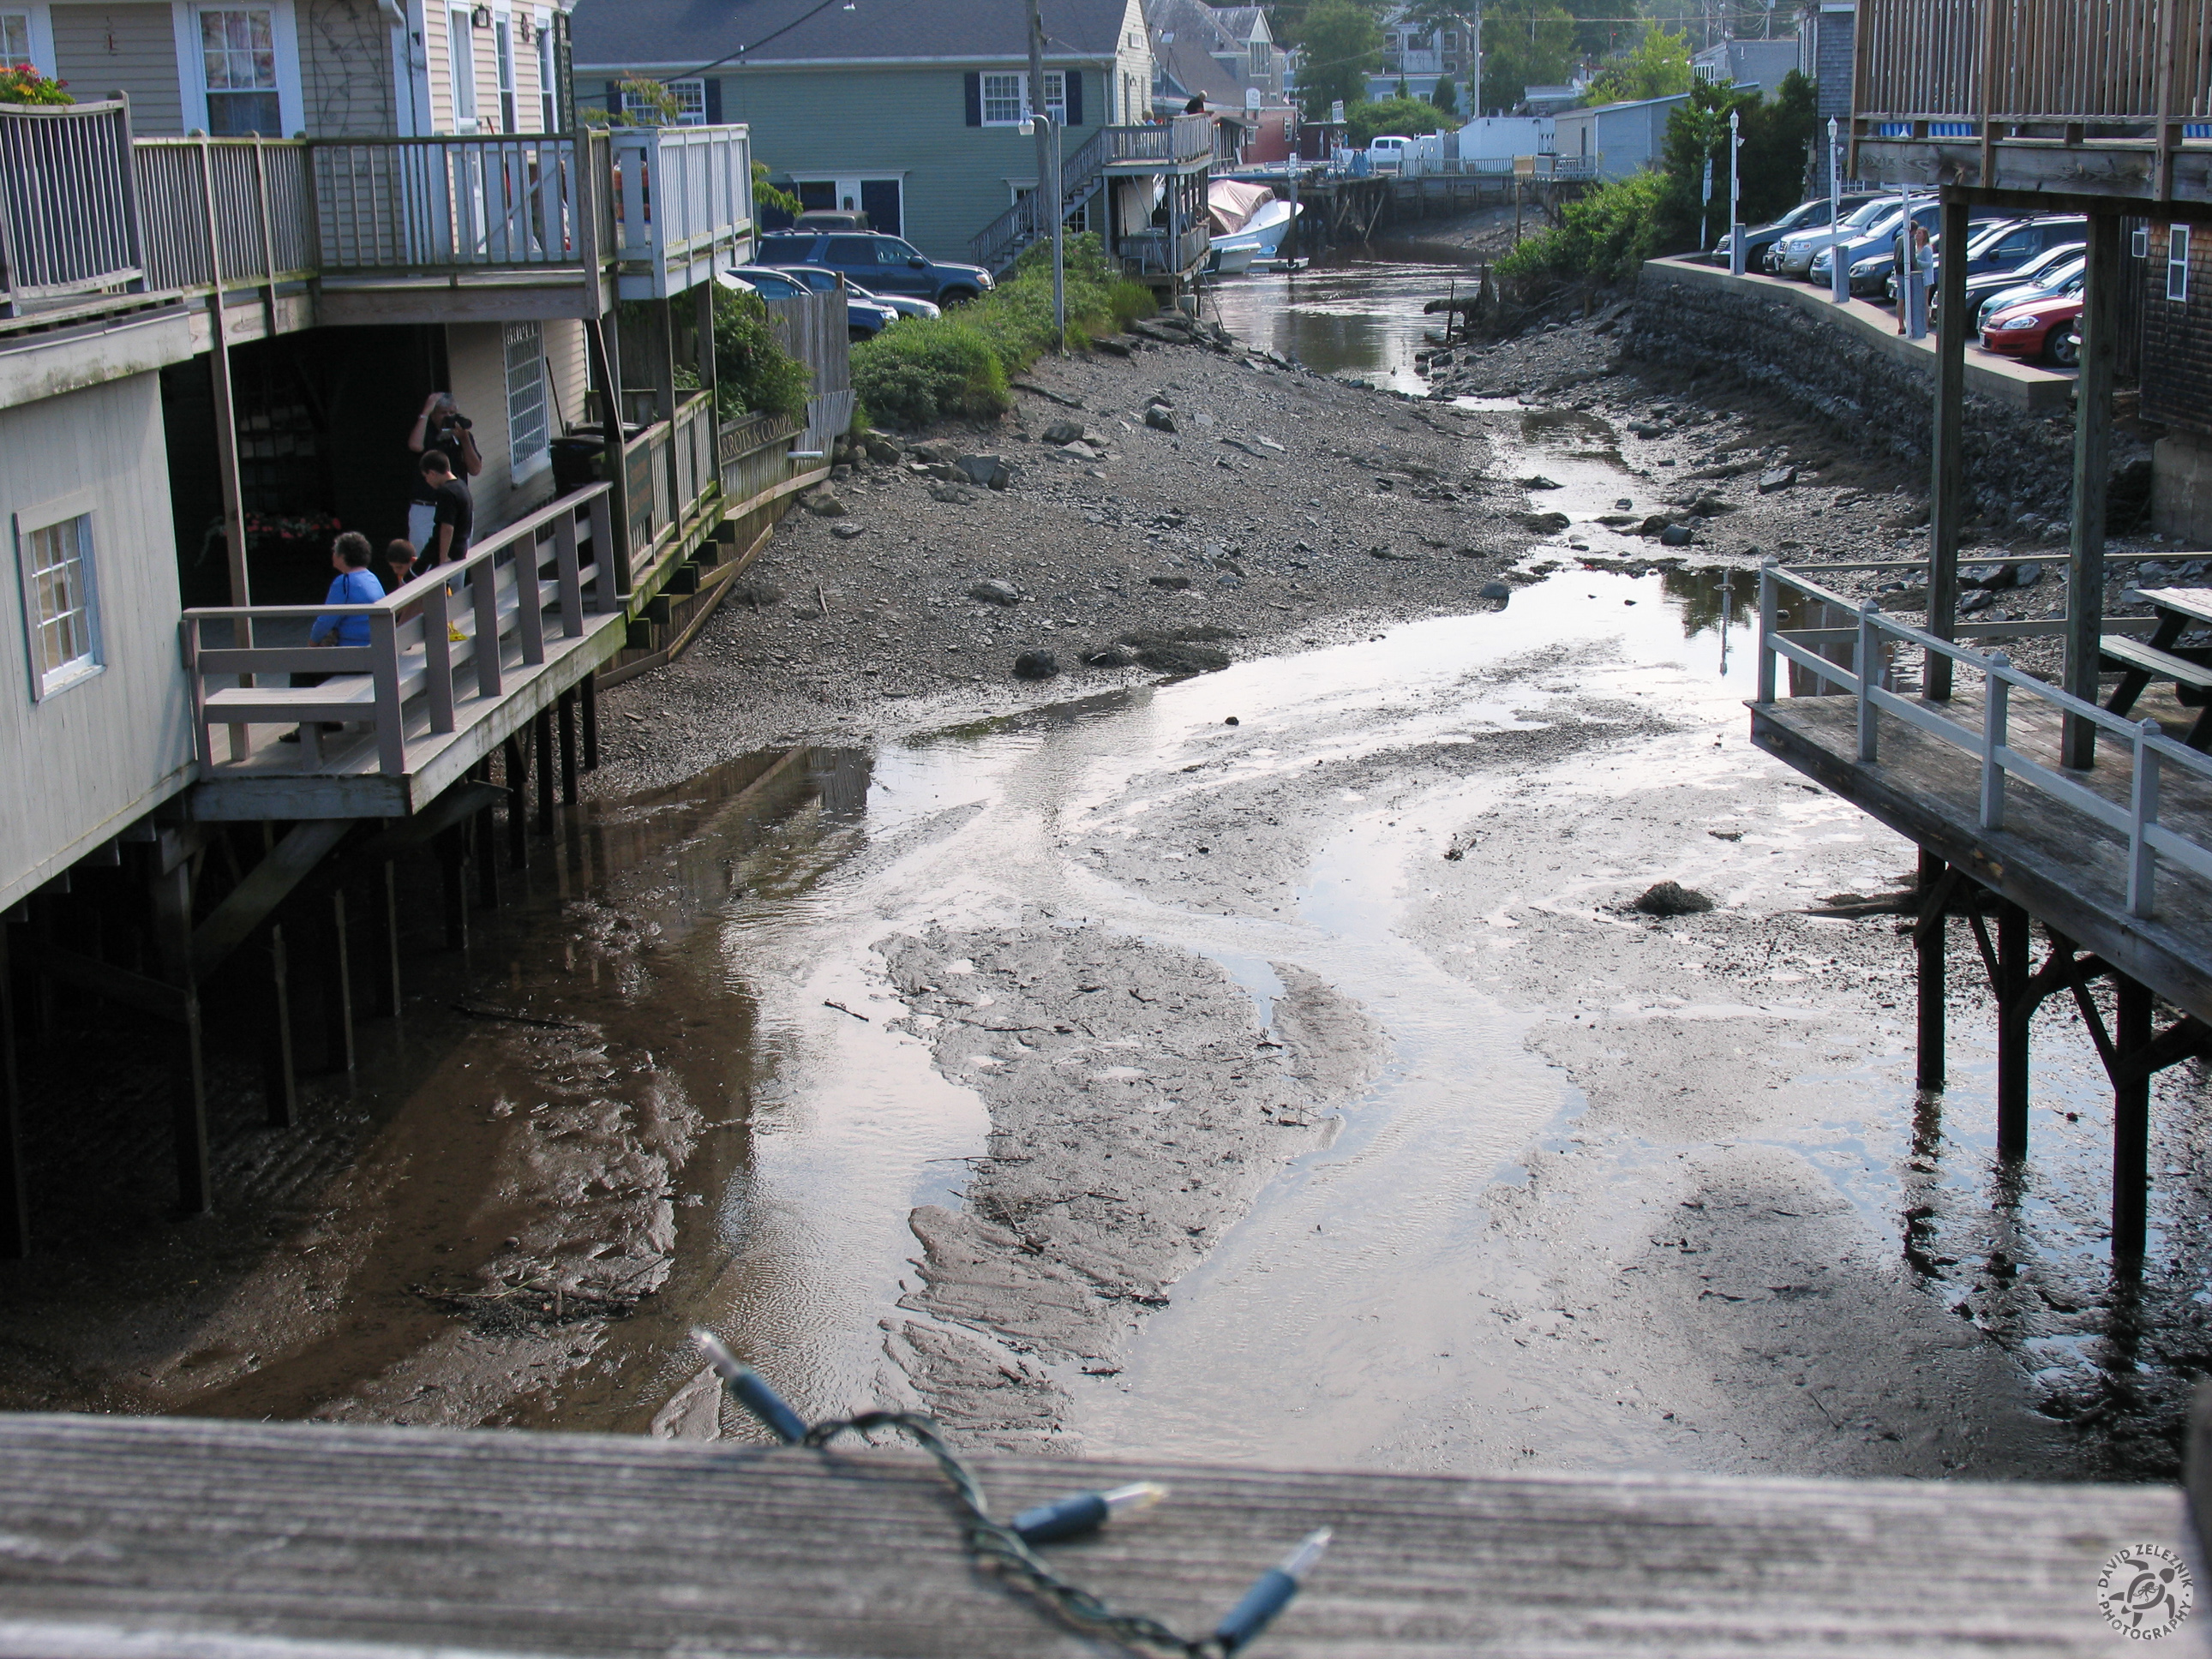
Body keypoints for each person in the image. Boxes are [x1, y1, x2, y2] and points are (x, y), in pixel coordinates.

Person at [284, 532, 385, 743]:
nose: (333, 554)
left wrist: (312, 645)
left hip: (354, 658)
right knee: (316, 663)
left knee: (302, 666)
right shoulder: (372, 578)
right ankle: (327, 718)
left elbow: (325, 621)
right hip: (374, 654)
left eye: (335, 550)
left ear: (344, 555)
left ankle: (309, 729)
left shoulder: (345, 582)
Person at [406, 392, 482, 553]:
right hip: (427, 508)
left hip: (455, 507)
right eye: (443, 413)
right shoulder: (427, 432)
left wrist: (464, 440)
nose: (448, 417)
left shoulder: (461, 436)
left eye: (452, 413)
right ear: (434, 415)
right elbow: (415, 445)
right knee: (421, 556)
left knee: (457, 557)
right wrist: (426, 411)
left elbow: (475, 469)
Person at [419, 450, 474, 566]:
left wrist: (442, 559)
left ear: (432, 473)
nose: (427, 481)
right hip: (461, 549)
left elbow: (447, 528)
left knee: (410, 580)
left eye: (426, 476)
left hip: (446, 552)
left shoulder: (446, 492)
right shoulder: (461, 485)